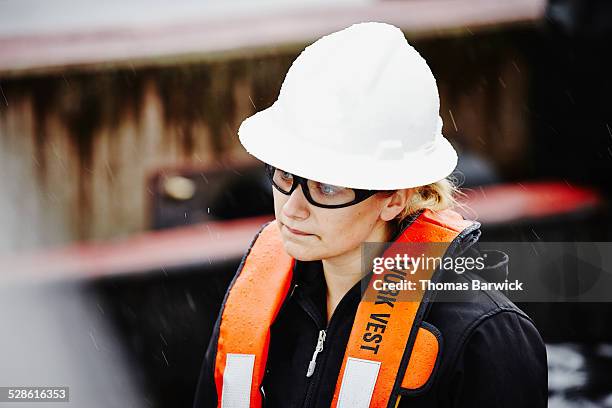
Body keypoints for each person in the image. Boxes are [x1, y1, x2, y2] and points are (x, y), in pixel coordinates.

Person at [193, 22, 547, 408]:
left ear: (394, 198)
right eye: (285, 175)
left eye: (327, 187)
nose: (292, 208)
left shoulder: (484, 337)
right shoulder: (257, 307)